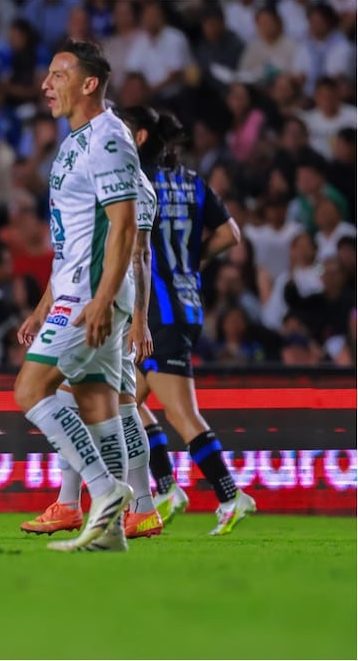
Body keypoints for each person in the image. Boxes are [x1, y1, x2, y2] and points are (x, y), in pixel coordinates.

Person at [12, 39, 138, 552]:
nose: (46, 85)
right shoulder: (73, 143)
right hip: (77, 288)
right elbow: (72, 239)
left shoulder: (109, 138)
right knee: (95, 403)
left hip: (92, 294)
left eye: (58, 75)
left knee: (31, 390)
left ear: (89, 84)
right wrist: (43, 305)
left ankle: (105, 491)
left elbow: (124, 227)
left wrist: (102, 300)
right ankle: (110, 536)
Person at [21, 104, 161, 541]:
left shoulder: (132, 182)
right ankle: (130, 512)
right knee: (111, 403)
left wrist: (138, 317)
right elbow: (74, 244)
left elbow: (137, 254)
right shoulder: (90, 158)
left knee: (61, 392)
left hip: (101, 298)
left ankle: (95, 498)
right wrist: (44, 304)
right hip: (94, 294)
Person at [128, 111, 258, 536]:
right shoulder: (192, 182)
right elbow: (230, 235)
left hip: (159, 313)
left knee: (183, 414)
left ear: (142, 137)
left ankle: (229, 494)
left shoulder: (137, 181)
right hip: (186, 301)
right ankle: (167, 488)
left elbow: (133, 247)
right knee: (122, 399)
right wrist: (189, 263)